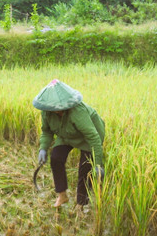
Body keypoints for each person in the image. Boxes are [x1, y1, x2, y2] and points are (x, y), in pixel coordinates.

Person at [33, 79, 105, 210]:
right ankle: (62, 195)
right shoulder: (47, 111)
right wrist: (43, 148)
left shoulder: (77, 112)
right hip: (66, 134)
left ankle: (80, 204)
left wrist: (98, 164)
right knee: (56, 157)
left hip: (87, 137)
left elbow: (93, 137)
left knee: (85, 168)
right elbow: (47, 131)